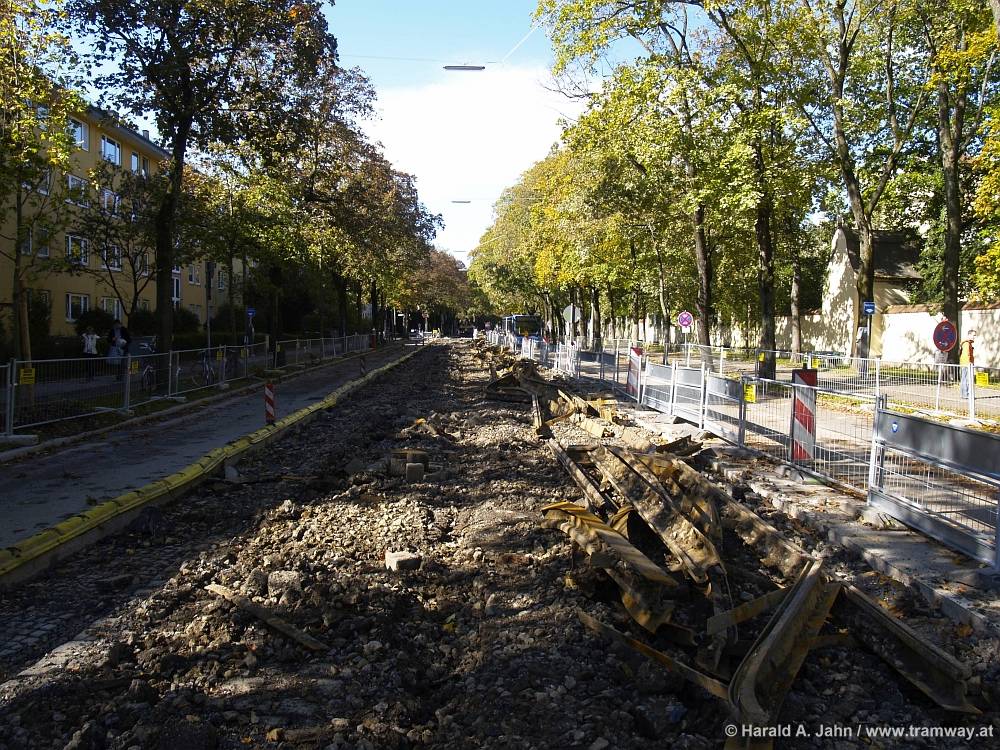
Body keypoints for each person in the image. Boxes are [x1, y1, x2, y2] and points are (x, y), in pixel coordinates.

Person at [959, 329, 977, 399]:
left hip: (965, 363)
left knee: (964, 379)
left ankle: (963, 394)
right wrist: (969, 363)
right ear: (969, 335)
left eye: (975, 335)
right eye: (973, 335)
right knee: (966, 379)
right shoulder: (966, 343)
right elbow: (966, 354)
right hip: (966, 363)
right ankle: (965, 394)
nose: (974, 337)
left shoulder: (967, 343)